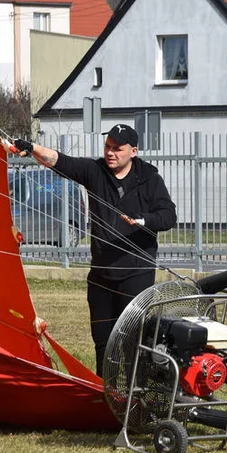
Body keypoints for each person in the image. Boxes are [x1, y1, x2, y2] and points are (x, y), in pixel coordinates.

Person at [12, 124, 177, 377]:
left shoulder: (149, 179)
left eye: (117, 149)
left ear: (133, 151)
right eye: (107, 146)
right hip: (101, 275)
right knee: (103, 340)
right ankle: (105, 392)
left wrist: (142, 219)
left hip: (135, 274)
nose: (110, 153)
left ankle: (136, 396)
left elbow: (168, 216)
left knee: (132, 342)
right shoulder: (95, 171)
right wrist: (32, 147)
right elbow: (59, 161)